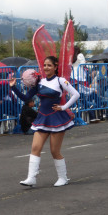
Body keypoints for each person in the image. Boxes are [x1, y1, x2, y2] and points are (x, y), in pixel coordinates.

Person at [9, 56, 80, 187]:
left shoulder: (60, 81)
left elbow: (76, 94)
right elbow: (26, 97)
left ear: (55, 66)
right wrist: (13, 87)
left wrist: (64, 107)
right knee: (35, 147)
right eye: (45, 65)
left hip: (56, 118)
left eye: (49, 65)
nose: (46, 68)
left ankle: (63, 178)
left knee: (54, 151)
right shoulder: (39, 82)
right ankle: (31, 178)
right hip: (42, 118)